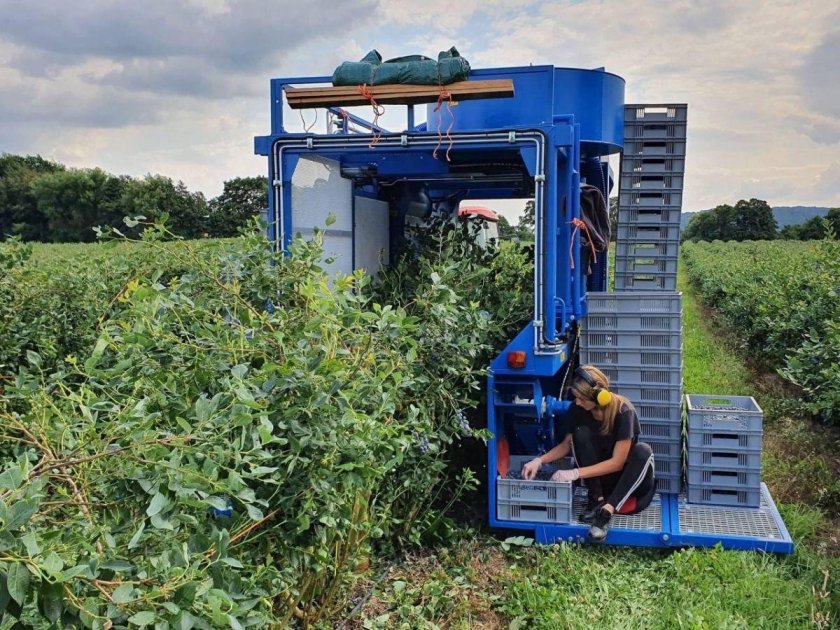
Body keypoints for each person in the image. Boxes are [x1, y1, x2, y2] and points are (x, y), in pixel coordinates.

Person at [521, 365, 655, 542]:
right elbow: (567, 445)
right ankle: (597, 499)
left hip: (628, 483)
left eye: (581, 399)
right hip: (603, 482)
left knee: (643, 451)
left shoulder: (624, 412)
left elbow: (617, 463)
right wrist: (539, 461)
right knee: (580, 434)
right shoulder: (578, 410)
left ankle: (606, 512)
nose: (577, 402)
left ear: (599, 397)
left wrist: (575, 473)